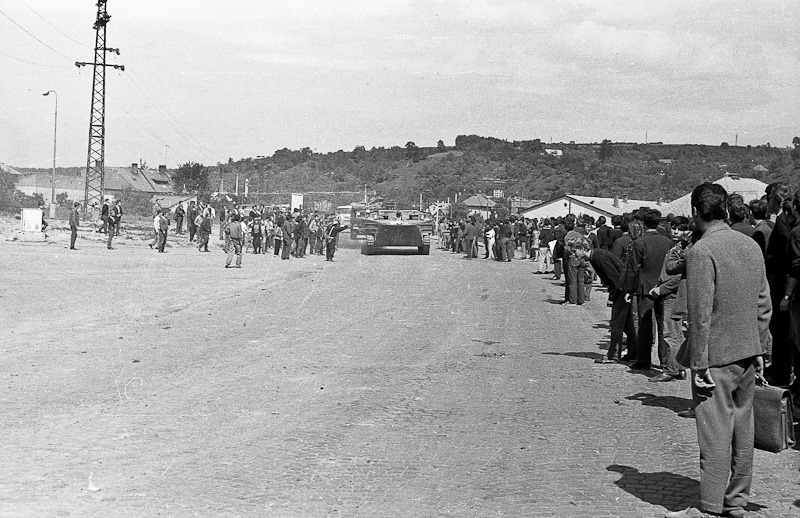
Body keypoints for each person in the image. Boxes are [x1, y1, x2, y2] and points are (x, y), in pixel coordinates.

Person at [666, 183, 771, 518]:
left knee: (713, 434)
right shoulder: (750, 245)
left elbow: (699, 315)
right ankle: (736, 502)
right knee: (744, 430)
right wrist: (761, 347)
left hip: (715, 357)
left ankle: (710, 506)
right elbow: (763, 303)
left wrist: (698, 365)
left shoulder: (701, 252)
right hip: (747, 352)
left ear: (696, 212)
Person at [624, 209, 673, 370]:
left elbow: (633, 269)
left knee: (645, 325)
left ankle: (643, 360)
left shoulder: (640, 242)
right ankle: (665, 361)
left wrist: (628, 290)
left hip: (645, 287)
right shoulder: (667, 241)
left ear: (643, 224)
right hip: (664, 287)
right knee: (663, 325)